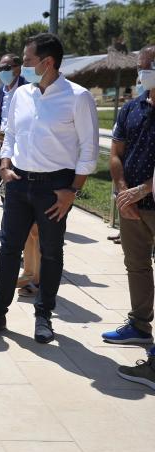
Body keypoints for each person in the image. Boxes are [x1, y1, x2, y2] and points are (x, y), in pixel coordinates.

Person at [0, 33, 98, 343]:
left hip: (54, 187)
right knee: (9, 251)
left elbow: (89, 149)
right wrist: (4, 164)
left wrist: (73, 190)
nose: (22, 66)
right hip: (18, 183)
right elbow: (10, 133)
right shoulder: (22, 94)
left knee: (52, 253)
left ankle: (43, 316)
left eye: (27, 61)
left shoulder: (78, 97)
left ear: (48, 62)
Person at [102, 45, 155, 390]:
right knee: (136, 266)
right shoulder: (132, 108)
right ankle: (139, 325)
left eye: (145, 67)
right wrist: (124, 192)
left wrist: (143, 189)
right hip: (132, 208)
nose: (140, 73)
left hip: (146, 198)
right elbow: (116, 152)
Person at [0, 54, 27, 208]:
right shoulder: (1, 89)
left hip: (17, 135)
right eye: (0, 68)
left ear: (17, 68)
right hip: (0, 133)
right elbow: (1, 111)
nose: (2, 72)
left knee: (13, 167)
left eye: (6, 68)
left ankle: (10, 200)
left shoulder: (27, 86)